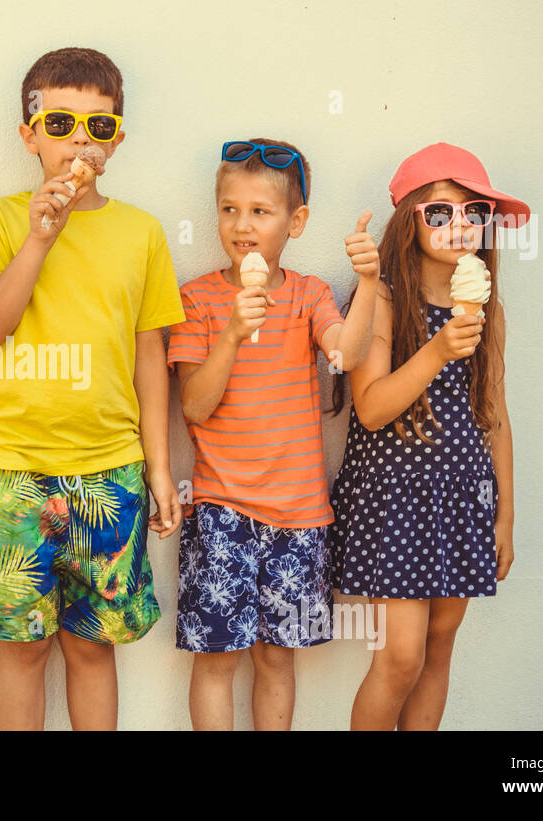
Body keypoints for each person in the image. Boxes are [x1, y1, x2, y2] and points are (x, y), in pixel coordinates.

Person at [0, 47, 185, 730]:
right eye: (62, 122)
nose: (80, 138)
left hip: (110, 473)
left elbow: (150, 354)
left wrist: (160, 468)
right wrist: (40, 239)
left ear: (117, 139)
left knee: (92, 648)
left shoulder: (141, 233)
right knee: (22, 651)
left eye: (99, 127)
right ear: (29, 133)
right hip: (9, 470)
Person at [167, 138, 379, 730]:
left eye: (260, 212)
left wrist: (368, 283)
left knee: (275, 659)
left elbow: (344, 353)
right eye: (230, 209)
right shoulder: (199, 300)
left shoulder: (310, 294)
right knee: (215, 661)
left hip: (299, 513)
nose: (242, 226)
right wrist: (233, 332)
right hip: (221, 511)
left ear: (296, 221)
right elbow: (196, 407)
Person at [326, 142, 526, 730]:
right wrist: (441, 349)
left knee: (440, 649)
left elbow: (494, 412)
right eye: (438, 213)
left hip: (463, 494)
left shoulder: (487, 307)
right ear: (407, 220)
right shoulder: (382, 295)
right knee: (401, 657)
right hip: (395, 497)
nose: (458, 226)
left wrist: (505, 516)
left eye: (474, 213)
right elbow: (371, 409)